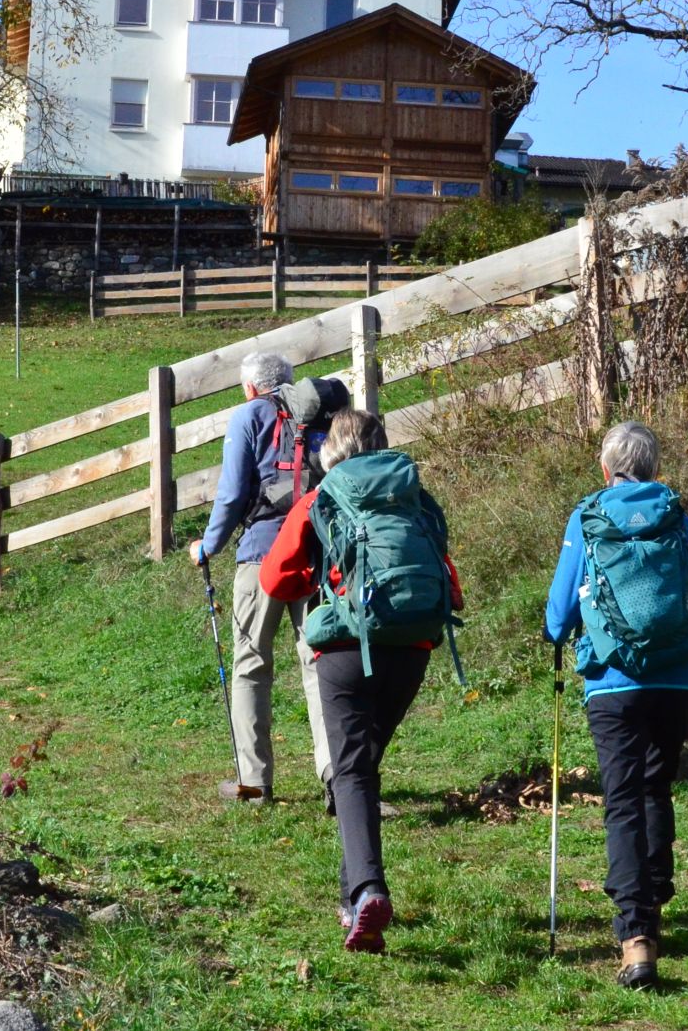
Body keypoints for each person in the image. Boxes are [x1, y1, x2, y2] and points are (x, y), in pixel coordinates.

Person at [260, 408, 462, 953]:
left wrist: (317, 578)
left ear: (333, 449)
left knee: (350, 772)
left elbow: (275, 578)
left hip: (346, 650)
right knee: (363, 767)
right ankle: (352, 899)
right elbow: (446, 575)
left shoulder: (320, 498)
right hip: (413, 647)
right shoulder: (415, 497)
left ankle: (369, 890)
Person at [543, 420, 688, 991]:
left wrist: (559, 634)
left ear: (606, 469)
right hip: (680, 681)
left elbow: (558, 618)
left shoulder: (588, 517)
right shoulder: (680, 521)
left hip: (614, 683)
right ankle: (654, 895)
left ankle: (637, 936)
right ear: (655, 468)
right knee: (656, 787)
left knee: (623, 800)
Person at [191, 351, 348, 803]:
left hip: (263, 556)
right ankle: (338, 779)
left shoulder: (248, 416)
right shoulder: (318, 415)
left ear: (250, 388)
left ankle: (255, 782)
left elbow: (232, 492)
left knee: (251, 664)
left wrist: (209, 545)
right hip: (317, 550)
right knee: (319, 663)